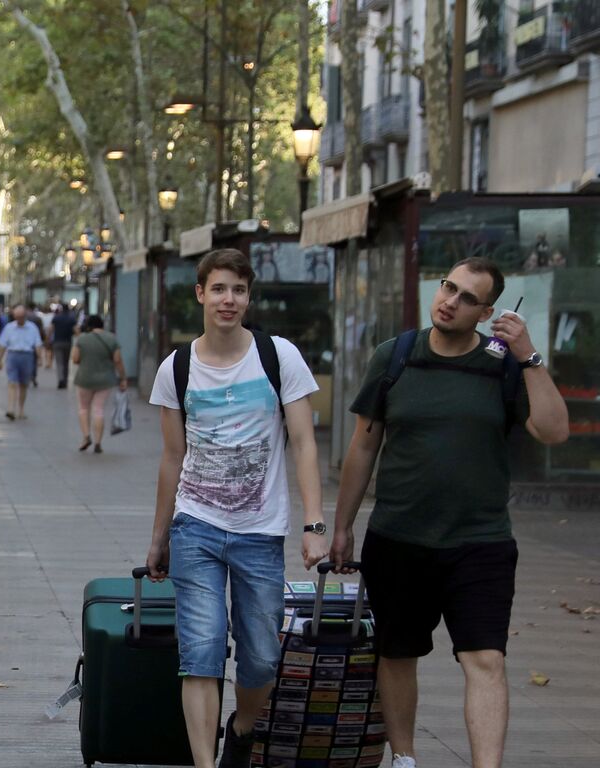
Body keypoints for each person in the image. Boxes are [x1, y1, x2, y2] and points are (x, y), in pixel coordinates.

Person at [329, 257, 570, 768]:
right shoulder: (395, 356)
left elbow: (553, 431)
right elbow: (363, 447)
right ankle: (405, 759)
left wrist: (530, 357)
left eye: (466, 298)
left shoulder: (505, 365)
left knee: (485, 658)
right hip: (398, 536)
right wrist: (342, 527)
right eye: (448, 288)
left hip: (480, 541)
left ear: (486, 313)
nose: (450, 301)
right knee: (397, 654)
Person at [144, 249, 325, 768]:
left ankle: (241, 730)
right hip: (195, 526)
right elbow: (172, 458)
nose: (229, 300)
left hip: (260, 531)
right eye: (219, 289)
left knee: (262, 659)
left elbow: (304, 444)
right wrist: (159, 536)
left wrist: (314, 525)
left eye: (239, 291)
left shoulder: (278, 356)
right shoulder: (176, 368)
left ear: (248, 298)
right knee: (199, 653)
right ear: (200, 294)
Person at [70, 315, 125, 453]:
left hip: (84, 378)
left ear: (88, 326)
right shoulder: (111, 339)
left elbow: (75, 359)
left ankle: (86, 436)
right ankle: (98, 442)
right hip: (105, 380)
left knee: (83, 408)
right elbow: (117, 360)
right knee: (98, 410)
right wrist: (123, 378)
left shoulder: (82, 339)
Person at [0, 304, 45, 420]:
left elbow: (37, 344)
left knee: (23, 384)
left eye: (21, 317)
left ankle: (21, 409)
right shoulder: (9, 327)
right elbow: (2, 344)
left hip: (27, 356)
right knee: (12, 383)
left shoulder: (32, 328)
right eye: (16, 317)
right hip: (13, 355)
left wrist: (40, 358)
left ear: (25, 316)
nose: (19, 319)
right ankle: (11, 409)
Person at [51, 300, 80, 389]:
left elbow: (50, 329)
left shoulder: (56, 317)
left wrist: (48, 339)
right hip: (67, 342)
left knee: (59, 362)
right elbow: (76, 331)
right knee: (66, 362)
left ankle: (60, 378)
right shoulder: (71, 318)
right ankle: (65, 381)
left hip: (57, 342)